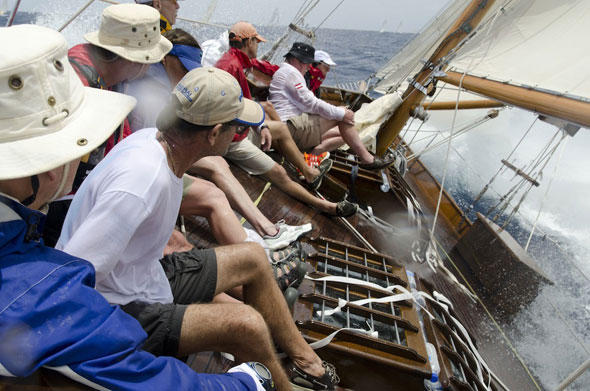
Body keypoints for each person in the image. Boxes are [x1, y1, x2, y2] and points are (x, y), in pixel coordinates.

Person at [0, 24, 268, 391]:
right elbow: (147, 379)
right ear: (48, 168)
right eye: (82, 147)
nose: (87, 160)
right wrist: (247, 383)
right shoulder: (37, 292)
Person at [56, 67, 340, 391]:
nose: (238, 134)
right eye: (235, 128)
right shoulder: (141, 180)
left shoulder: (156, 144)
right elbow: (73, 277)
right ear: (213, 133)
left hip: (143, 278)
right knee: (246, 324)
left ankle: (307, 363)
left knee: (252, 257)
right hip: (118, 311)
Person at [124, 28, 311, 252]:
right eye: (183, 65)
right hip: (153, 158)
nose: (186, 72)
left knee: (218, 165)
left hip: (156, 150)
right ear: (166, 59)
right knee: (214, 191)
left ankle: (265, 232)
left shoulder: (167, 85)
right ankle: (263, 237)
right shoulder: (152, 90)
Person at [42, 3, 173, 247]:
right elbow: (58, 173)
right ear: (134, 61)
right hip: (61, 202)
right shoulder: (78, 85)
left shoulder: (111, 78)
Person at [214, 21, 357, 217]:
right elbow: (230, 107)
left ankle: (308, 171)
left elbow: (242, 104)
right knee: (279, 174)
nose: (258, 46)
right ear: (248, 42)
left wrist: (262, 125)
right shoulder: (232, 67)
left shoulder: (233, 63)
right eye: (257, 42)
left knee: (280, 128)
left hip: (238, 129)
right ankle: (325, 205)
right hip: (232, 138)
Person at [270, 42, 394, 169]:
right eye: (306, 63)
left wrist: (338, 112)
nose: (308, 66)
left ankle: (310, 160)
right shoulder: (291, 73)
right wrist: (341, 113)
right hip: (290, 129)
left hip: (292, 125)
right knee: (342, 118)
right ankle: (368, 160)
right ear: (296, 60)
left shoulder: (288, 72)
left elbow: (307, 103)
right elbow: (310, 103)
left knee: (346, 133)